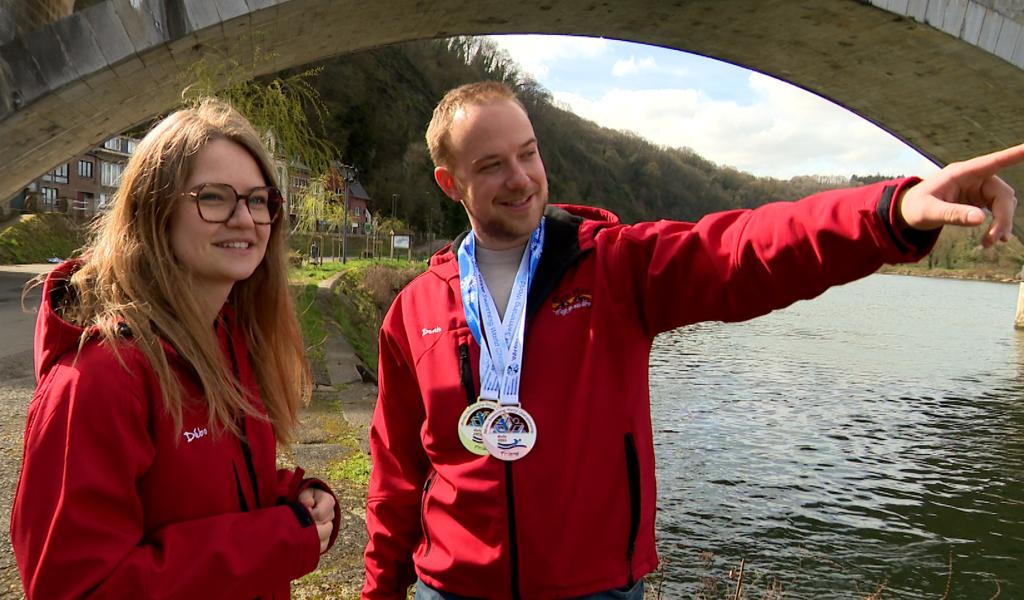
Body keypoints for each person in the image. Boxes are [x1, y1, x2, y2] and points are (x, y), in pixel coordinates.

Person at [362, 81, 1022, 600]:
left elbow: (747, 250)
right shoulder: (415, 310)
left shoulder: (617, 268)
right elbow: (396, 477)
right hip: (452, 590)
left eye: (529, 152)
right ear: (450, 184)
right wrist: (382, 592)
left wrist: (890, 213)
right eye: (492, 165)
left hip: (595, 591)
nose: (522, 177)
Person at [11, 98, 340, 599]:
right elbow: (79, 588)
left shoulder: (228, 341)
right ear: (154, 210)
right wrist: (278, 537)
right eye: (214, 197)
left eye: (257, 200)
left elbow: (198, 493)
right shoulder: (99, 380)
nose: (245, 219)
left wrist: (291, 497)